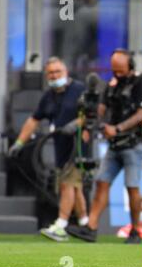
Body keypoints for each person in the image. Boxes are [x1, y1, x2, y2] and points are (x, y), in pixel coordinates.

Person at [67, 48, 142, 244]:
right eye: (114, 70)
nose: (117, 74)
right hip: (114, 145)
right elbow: (102, 108)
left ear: (130, 66)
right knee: (101, 182)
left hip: (135, 143)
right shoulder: (112, 85)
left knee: (132, 187)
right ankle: (91, 227)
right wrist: (91, 122)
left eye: (121, 70)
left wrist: (118, 128)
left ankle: (135, 231)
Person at [8, 57, 89, 241]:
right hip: (59, 146)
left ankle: (61, 225)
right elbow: (34, 120)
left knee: (68, 182)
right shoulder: (49, 96)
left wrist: (76, 124)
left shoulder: (79, 89)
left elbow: (92, 112)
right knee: (74, 186)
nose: (54, 76)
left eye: (57, 72)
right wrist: (19, 143)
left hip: (78, 145)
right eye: (50, 73)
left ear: (66, 71)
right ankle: (85, 224)